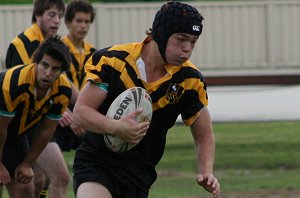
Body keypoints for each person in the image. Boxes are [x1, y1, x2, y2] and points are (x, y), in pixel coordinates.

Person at [72, 1, 220, 198]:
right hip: (97, 162)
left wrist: (206, 171)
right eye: (181, 39)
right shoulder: (113, 62)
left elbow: (204, 135)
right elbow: (81, 112)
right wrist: (116, 127)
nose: (187, 49)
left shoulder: (190, 80)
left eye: (193, 41)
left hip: (140, 172)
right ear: (160, 34)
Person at [4, 1, 72, 198]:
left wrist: (79, 108)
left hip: (32, 125)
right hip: (14, 125)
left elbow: (64, 85)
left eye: (60, 16)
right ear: (37, 15)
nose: (57, 21)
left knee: (41, 180)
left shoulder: (53, 46)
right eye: (52, 15)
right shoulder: (23, 44)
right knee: (50, 177)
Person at [54, 0, 96, 152]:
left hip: (85, 112)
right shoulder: (56, 49)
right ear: (67, 22)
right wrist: (68, 114)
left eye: (87, 21)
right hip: (62, 113)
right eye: (79, 21)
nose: (83, 26)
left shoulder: (93, 53)